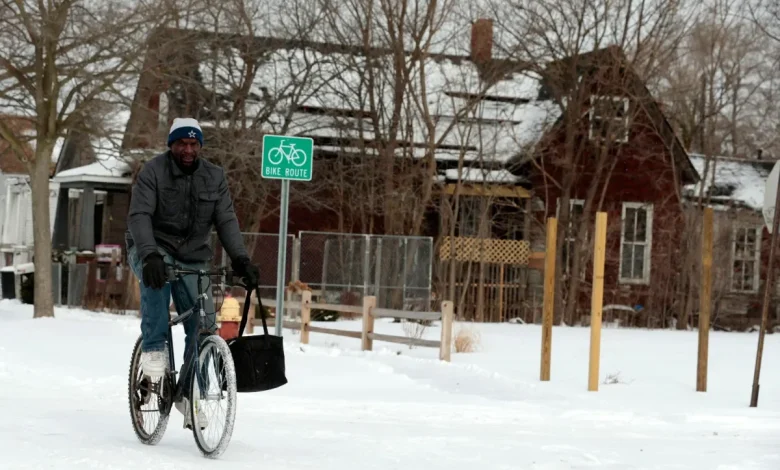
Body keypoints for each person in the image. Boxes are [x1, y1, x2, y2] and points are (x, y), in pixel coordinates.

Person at [125, 117, 259, 429]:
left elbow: (226, 220)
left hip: (192, 256)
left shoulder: (214, 176)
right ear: (171, 145)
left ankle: (187, 390)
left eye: (193, 144)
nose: (188, 149)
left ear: (199, 146)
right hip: (151, 248)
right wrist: (149, 255)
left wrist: (241, 259)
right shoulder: (153, 172)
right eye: (181, 144)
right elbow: (140, 215)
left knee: (204, 324)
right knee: (156, 285)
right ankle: (155, 359)